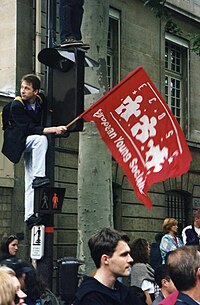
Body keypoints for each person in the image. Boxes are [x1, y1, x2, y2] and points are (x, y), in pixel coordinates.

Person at [2, 74, 67, 229]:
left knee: (29, 179)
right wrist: (53, 130)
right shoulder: (16, 105)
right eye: (22, 87)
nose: (23, 91)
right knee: (40, 140)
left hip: (30, 140)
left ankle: (29, 216)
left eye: (27, 88)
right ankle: (39, 176)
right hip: (18, 141)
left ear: (36, 92)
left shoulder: (41, 100)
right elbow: (28, 129)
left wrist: (61, 129)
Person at [71, 227, 146, 305]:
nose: (130, 259)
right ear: (106, 259)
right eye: (124, 255)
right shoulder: (89, 297)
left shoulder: (125, 293)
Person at [130, 238, 155, 305]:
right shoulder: (139, 268)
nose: (149, 249)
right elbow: (146, 293)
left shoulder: (145, 266)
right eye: (148, 247)